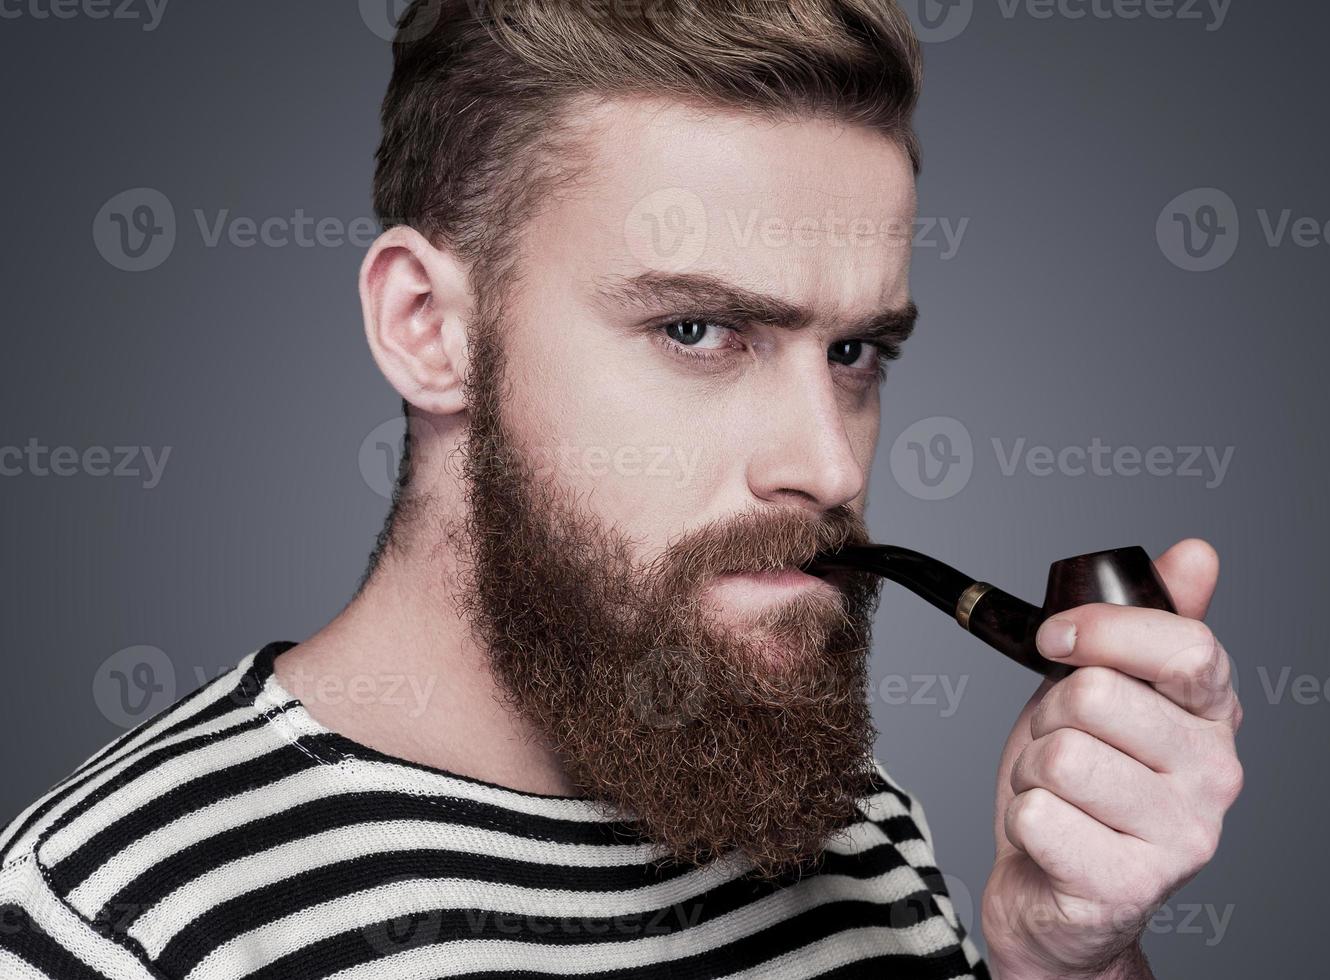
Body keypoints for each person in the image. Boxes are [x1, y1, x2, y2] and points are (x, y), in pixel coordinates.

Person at [0, 2, 1243, 977]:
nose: (828, 463)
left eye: (855, 352)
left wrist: (1063, 965)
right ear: (428, 325)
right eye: (701, 330)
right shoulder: (121, 930)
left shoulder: (866, 837)